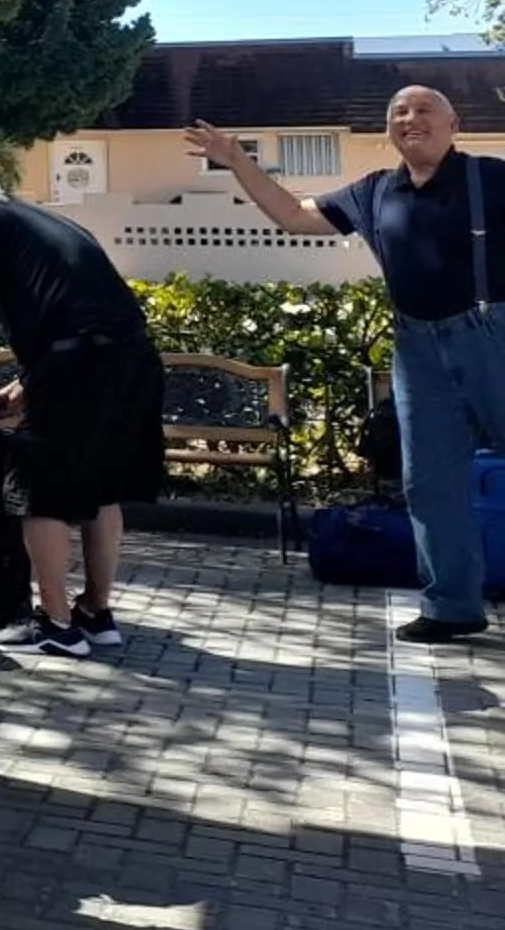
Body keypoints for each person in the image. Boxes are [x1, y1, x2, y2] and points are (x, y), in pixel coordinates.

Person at [192, 91, 499, 642]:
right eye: (399, 114)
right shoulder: (374, 191)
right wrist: (239, 160)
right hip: (416, 348)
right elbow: (292, 214)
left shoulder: (491, 179)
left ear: (455, 123)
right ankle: (452, 606)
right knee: (429, 483)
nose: (411, 119)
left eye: (425, 110)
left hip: (491, 335)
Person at [0, 182, 164, 657]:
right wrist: (19, 390)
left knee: (40, 492)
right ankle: (96, 613)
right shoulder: (55, 224)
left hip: (78, 365)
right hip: (134, 359)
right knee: (102, 486)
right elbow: (80, 320)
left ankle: (55, 624)